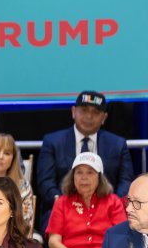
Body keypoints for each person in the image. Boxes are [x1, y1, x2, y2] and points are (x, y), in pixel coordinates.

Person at [36, 90, 134, 233]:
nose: (89, 116)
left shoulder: (117, 144)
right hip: (62, 209)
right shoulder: (53, 142)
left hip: (106, 210)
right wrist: (66, 206)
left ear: (104, 117)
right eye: (84, 110)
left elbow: (126, 181)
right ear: (73, 111)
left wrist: (111, 206)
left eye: (96, 112)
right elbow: (45, 183)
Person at [46, 152, 126, 248]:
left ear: (99, 177)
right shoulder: (62, 203)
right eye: (79, 172)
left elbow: (121, 239)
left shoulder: (113, 202)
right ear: (72, 177)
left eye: (90, 172)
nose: (84, 177)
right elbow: (53, 242)